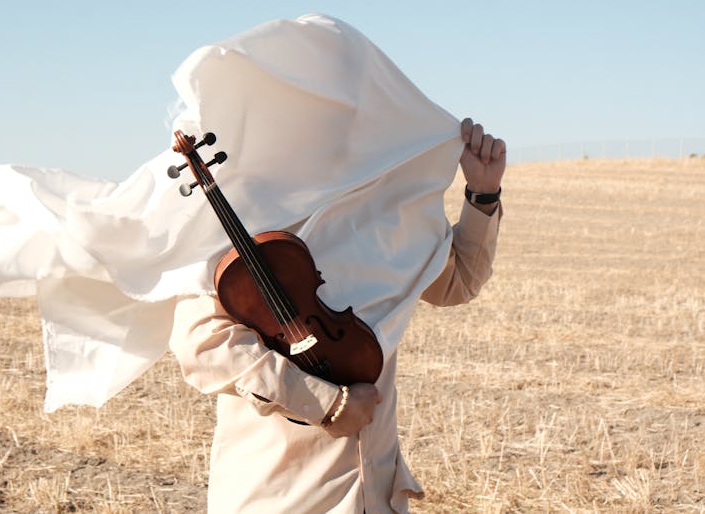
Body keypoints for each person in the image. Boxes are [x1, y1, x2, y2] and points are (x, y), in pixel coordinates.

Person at [168, 117, 505, 514]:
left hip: (375, 494)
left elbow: (457, 283)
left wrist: (483, 195)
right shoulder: (251, 209)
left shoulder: (390, 216)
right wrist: (324, 403)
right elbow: (201, 344)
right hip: (282, 495)